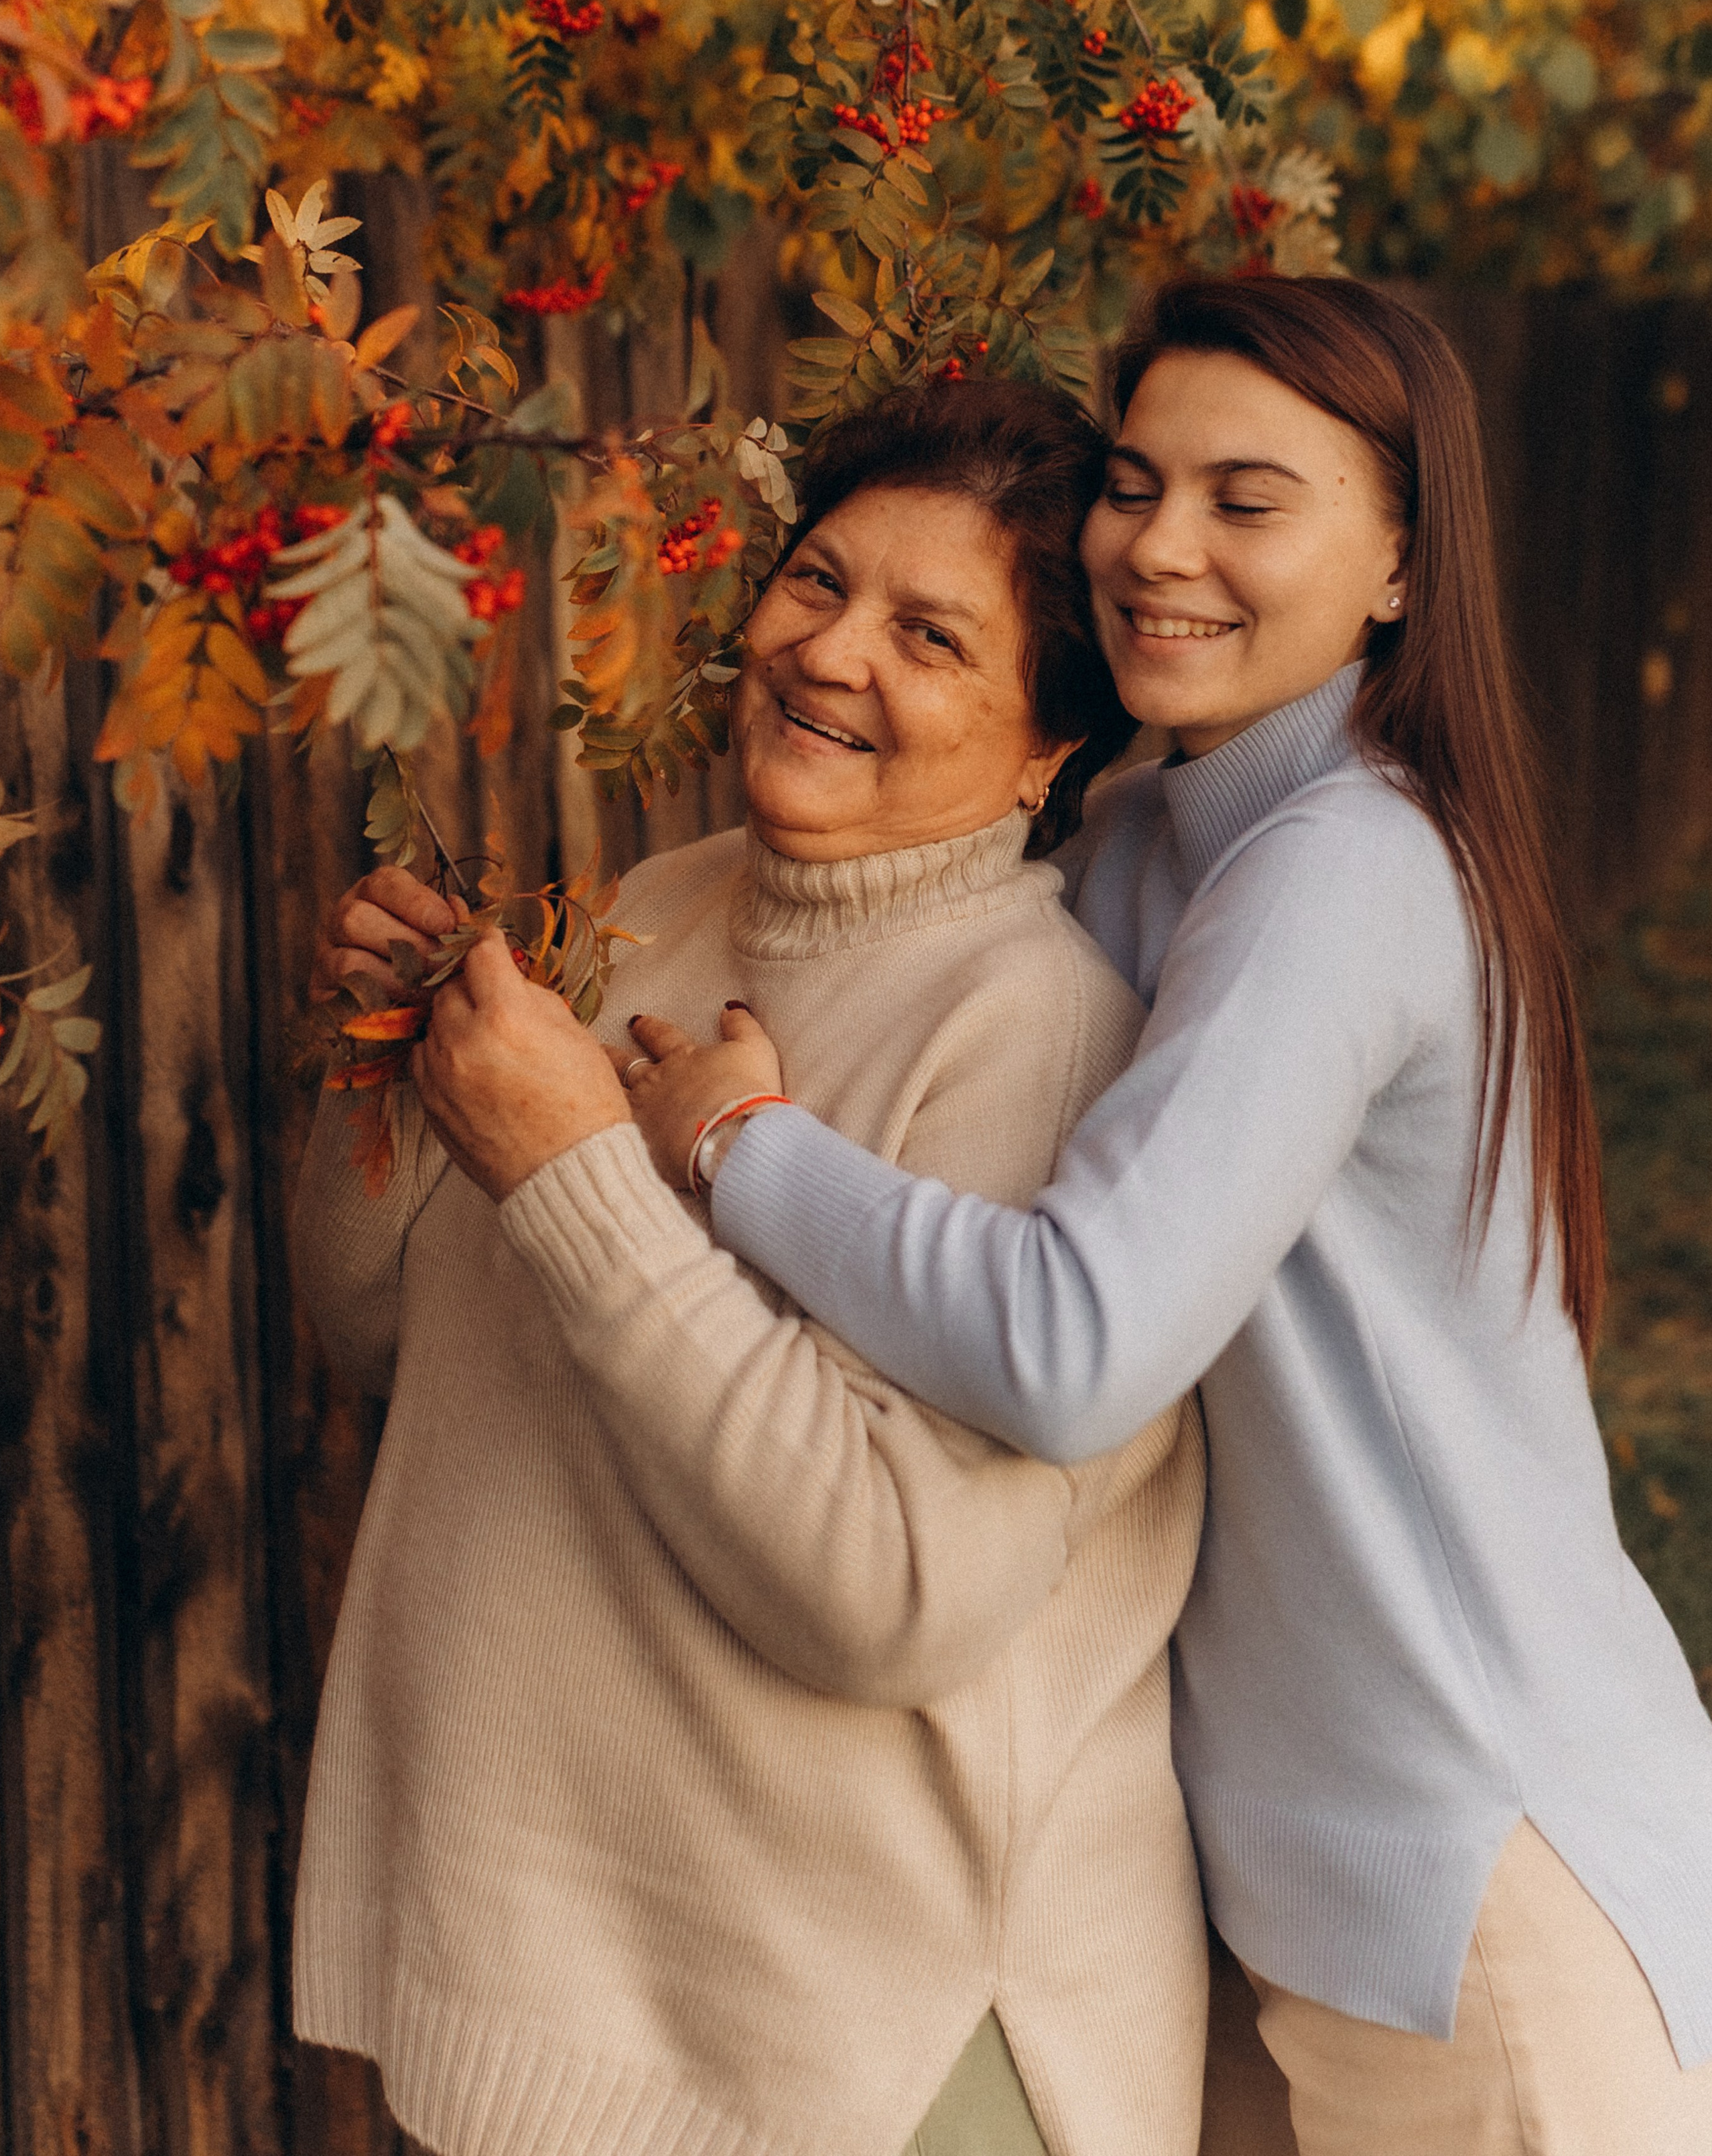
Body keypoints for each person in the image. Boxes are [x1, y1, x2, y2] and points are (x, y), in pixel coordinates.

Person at [561, 279, 1712, 2156]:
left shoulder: (1337, 869)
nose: (1160, 547)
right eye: (1132, 482)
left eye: (1248, 502)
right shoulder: (1147, 840)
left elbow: (1070, 1345)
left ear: (1402, 565)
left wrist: (737, 1146)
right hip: (1337, 1888)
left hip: (1489, 1879)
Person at [289, 379, 1214, 2156]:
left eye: (931, 634)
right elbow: (398, 1343)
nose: (833, 650)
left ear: (1050, 750)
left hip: (867, 2060)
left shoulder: (1045, 1042)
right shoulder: (655, 905)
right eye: (818, 581)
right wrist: (395, 1080)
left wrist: (570, 1167)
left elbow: (890, 1591)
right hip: (574, 1988)